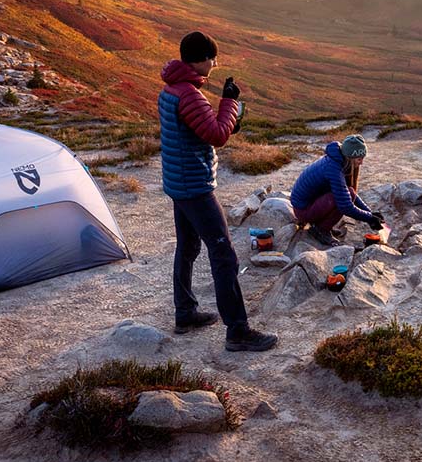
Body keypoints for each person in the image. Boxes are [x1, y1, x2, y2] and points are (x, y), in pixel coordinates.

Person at [158, 31, 278, 352]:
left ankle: (185, 312)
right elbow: (216, 135)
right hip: (195, 186)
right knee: (223, 252)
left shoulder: (170, 90)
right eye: (213, 57)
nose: (215, 63)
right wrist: (229, 102)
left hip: (177, 184)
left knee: (188, 246)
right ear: (201, 59)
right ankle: (238, 330)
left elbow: (198, 131)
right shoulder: (190, 95)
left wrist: (228, 118)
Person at [289, 134, 384, 245]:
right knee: (340, 200)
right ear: (350, 157)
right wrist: (369, 218)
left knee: (349, 193)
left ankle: (323, 226)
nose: (361, 162)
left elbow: (349, 193)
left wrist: (370, 213)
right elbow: (346, 206)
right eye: (359, 159)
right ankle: (320, 230)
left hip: (310, 204)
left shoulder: (337, 159)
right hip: (303, 211)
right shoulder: (334, 169)